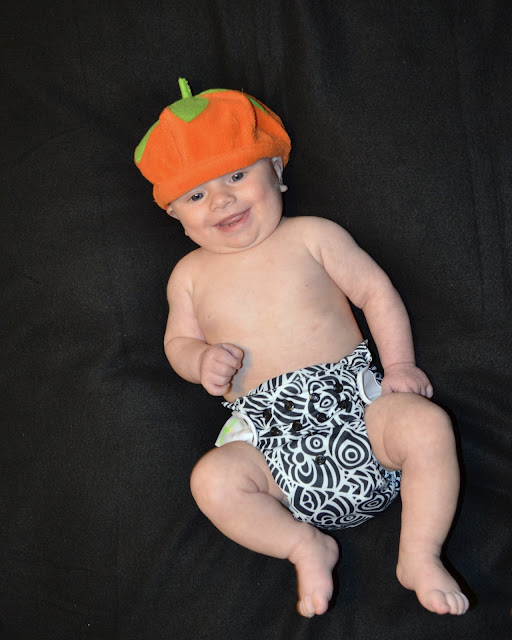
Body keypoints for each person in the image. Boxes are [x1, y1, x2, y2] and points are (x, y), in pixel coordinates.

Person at [134, 79, 469, 618]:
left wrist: (401, 365)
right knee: (212, 481)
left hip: (360, 414)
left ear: (277, 171)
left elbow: (375, 293)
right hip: (271, 442)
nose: (221, 199)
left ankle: (419, 554)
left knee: (428, 427)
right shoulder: (188, 276)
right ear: (175, 214)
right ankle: (302, 545)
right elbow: (177, 343)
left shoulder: (313, 235)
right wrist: (199, 360)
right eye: (196, 195)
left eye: (237, 175)